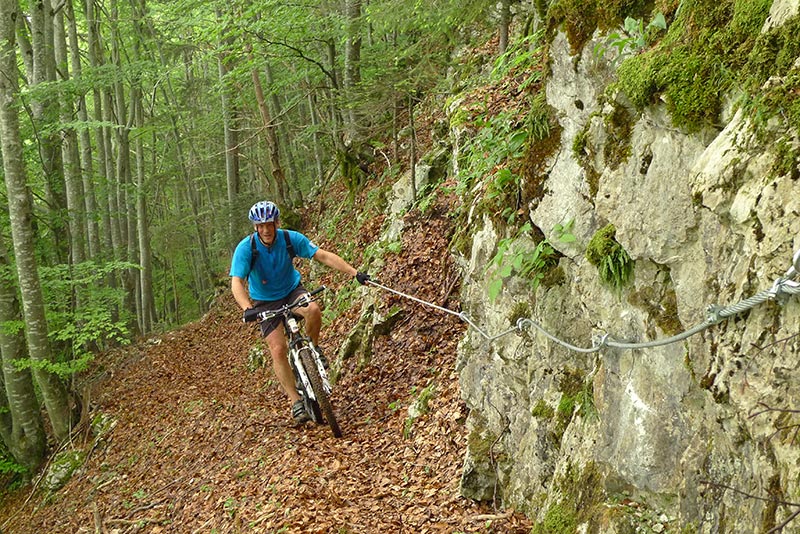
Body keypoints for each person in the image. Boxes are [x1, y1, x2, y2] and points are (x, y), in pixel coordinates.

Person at [230, 200, 370, 424]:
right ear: (255, 227)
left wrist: (355, 273)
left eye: (269, 224)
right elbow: (236, 282)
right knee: (277, 349)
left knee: (313, 309)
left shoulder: (290, 239)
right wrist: (247, 309)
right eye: (261, 225)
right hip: (265, 302)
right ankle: (295, 400)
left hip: (292, 291)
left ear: (277, 223)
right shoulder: (246, 248)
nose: (265, 230)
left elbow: (322, 255)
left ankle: (313, 348)